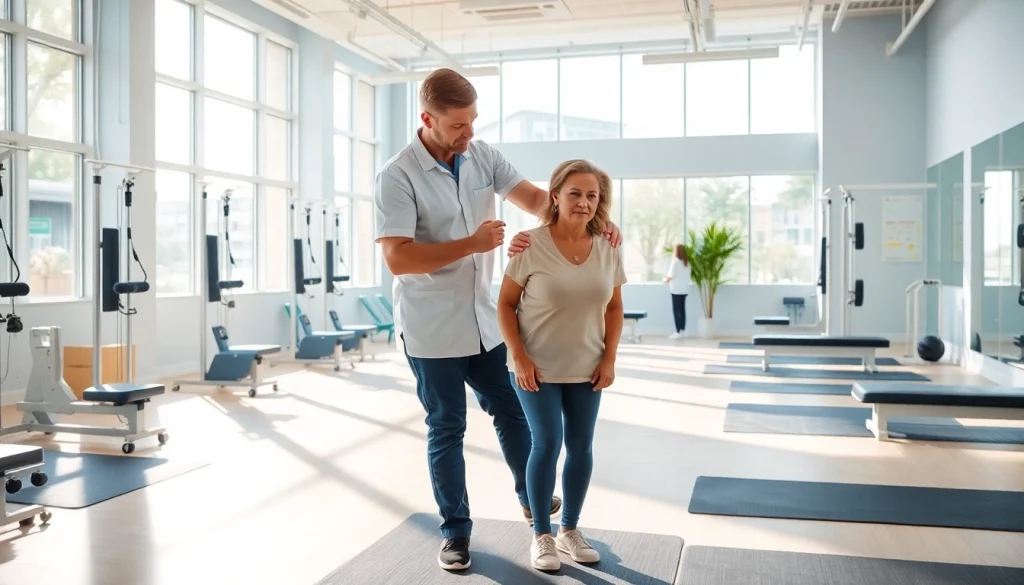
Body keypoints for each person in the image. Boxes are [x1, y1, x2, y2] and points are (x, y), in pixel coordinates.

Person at [374, 68, 622, 572]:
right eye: (458, 126)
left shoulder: (482, 155)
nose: (468, 134)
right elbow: (398, 259)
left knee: (512, 414)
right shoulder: (396, 175)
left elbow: (535, 199)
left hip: (484, 323)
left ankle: (533, 507)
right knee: (447, 428)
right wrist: (473, 244)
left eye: (473, 122)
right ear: (427, 119)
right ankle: (456, 533)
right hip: (431, 327)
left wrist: (587, 219)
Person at [496, 159, 626, 572]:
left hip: (587, 367)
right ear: (554, 196)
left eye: (592, 195)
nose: (584, 202)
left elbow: (616, 307)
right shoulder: (529, 244)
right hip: (535, 367)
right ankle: (542, 536)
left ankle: (569, 529)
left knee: (582, 447)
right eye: (575, 193)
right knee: (547, 443)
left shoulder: (608, 247)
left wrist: (609, 357)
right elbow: (505, 304)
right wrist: (518, 356)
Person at [663, 244, 691, 339]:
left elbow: (670, 276)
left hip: (676, 290)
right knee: (682, 310)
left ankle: (678, 331)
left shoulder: (675, 263)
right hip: (684, 290)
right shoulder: (686, 263)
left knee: (676, 311)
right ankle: (683, 330)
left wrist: (664, 280)